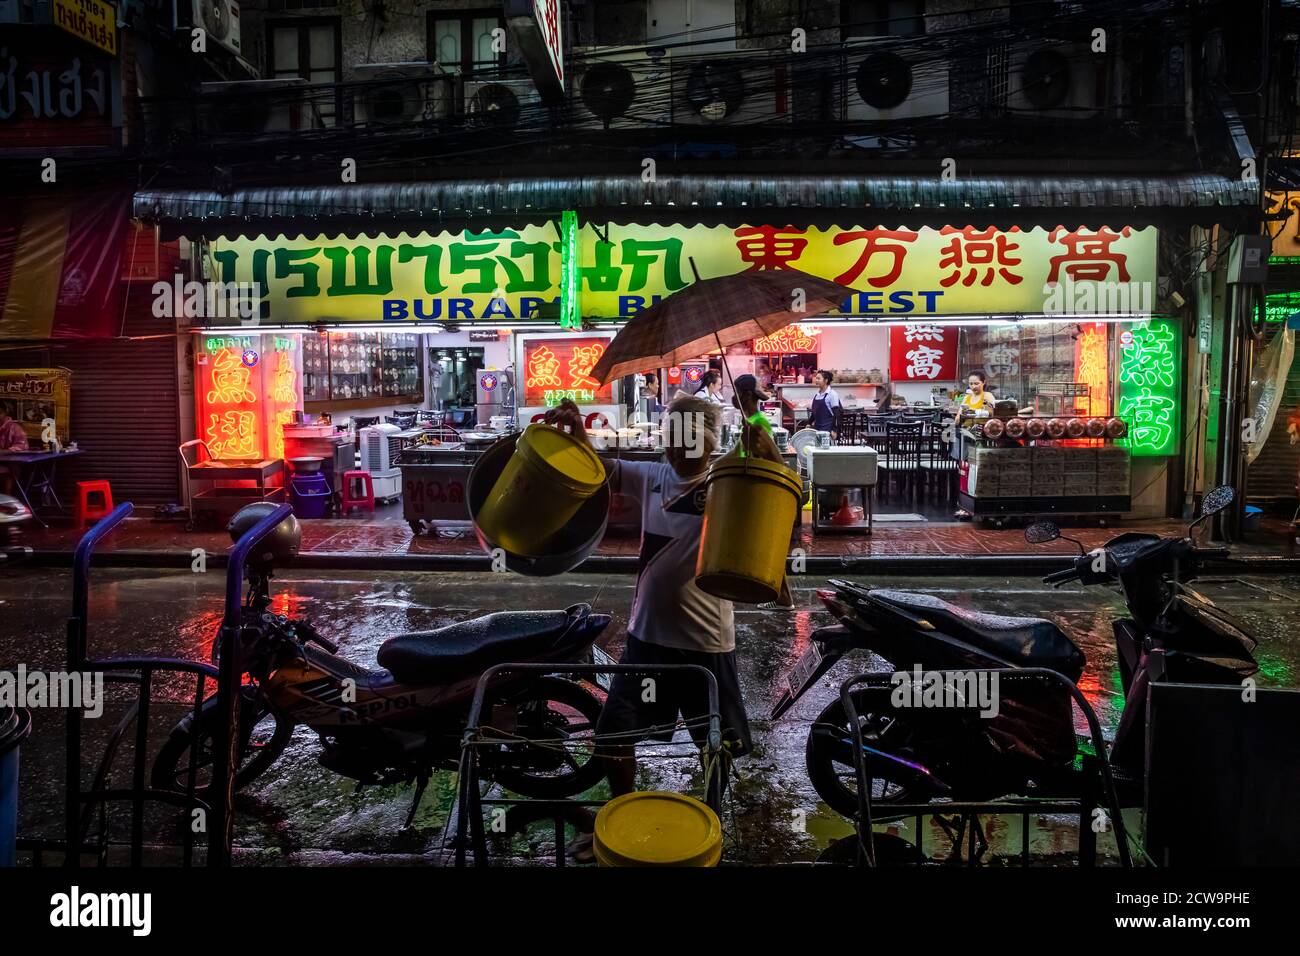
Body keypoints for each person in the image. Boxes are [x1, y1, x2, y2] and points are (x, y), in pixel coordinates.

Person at [0, 404, 30, 495]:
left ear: (5, 413)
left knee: (7, 475)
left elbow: (23, 446)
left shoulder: (15, 428)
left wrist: (5, 451)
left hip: (10, 465)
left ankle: (6, 503)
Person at [808, 369, 842, 439]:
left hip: (827, 431)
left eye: (818, 378)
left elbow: (837, 414)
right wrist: (809, 423)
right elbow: (814, 413)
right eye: (816, 378)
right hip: (816, 429)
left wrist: (834, 430)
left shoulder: (832, 394)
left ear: (826, 380)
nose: (816, 380)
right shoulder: (817, 395)